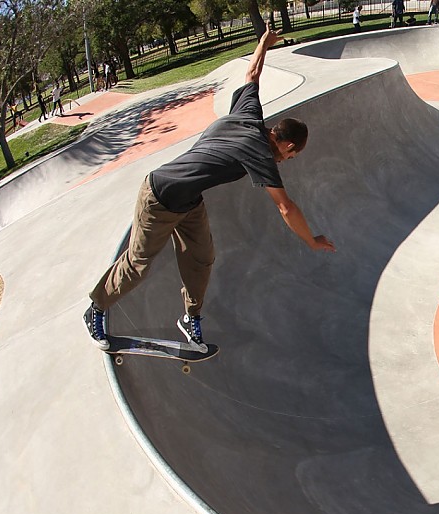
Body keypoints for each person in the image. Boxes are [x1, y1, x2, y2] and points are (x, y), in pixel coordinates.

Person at [83, 28, 335, 352]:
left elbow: (252, 72)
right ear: (285, 143)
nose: (287, 161)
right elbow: (285, 207)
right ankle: (96, 307)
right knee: (138, 263)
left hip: (189, 202)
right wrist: (311, 241)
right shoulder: (260, 153)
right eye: (291, 155)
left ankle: (190, 318)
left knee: (201, 258)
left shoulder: (249, 112)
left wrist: (263, 43)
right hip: (159, 196)